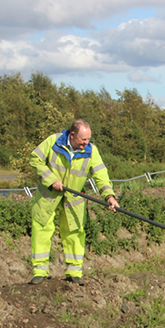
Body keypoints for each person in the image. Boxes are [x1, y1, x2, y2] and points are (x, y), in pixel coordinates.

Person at [29, 119, 119, 285]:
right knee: (42, 230)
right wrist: (51, 179)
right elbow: (35, 159)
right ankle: (40, 271)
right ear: (72, 135)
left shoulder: (91, 151)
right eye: (83, 140)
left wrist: (109, 196)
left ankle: (74, 271)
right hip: (48, 196)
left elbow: (101, 174)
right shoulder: (53, 142)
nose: (86, 143)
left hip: (74, 199)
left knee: (74, 232)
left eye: (88, 139)